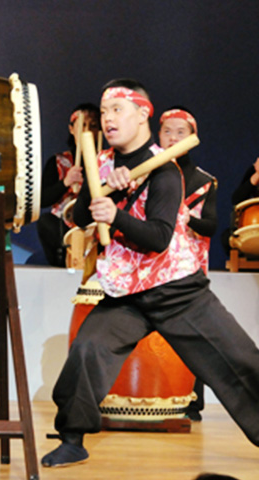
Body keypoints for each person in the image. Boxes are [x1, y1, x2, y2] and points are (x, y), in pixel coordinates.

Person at [41, 78, 259, 468]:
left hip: (179, 292)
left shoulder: (165, 171)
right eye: (104, 111)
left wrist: (116, 214)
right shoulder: (101, 163)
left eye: (117, 109)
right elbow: (80, 215)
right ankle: (72, 439)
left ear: (143, 114)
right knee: (88, 350)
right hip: (127, 294)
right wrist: (105, 191)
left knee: (240, 362)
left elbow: (158, 238)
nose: (108, 119)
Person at [159, 106, 217, 420]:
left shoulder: (204, 181)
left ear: (193, 137)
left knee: (191, 334)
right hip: (151, 263)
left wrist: (186, 217)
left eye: (180, 132)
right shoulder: (148, 173)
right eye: (167, 131)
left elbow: (211, 226)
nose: (172, 137)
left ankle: (192, 401)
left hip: (188, 265)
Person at [36, 103, 100, 266]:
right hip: (64, 224)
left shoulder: (106, 161)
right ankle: (67, 262)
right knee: (45, 222)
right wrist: (65, 182)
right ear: (72, 129)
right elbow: (42, 200)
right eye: (82, 125)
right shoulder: (58, 161)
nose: (87, 131)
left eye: (93, 126)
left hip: (94, 223)